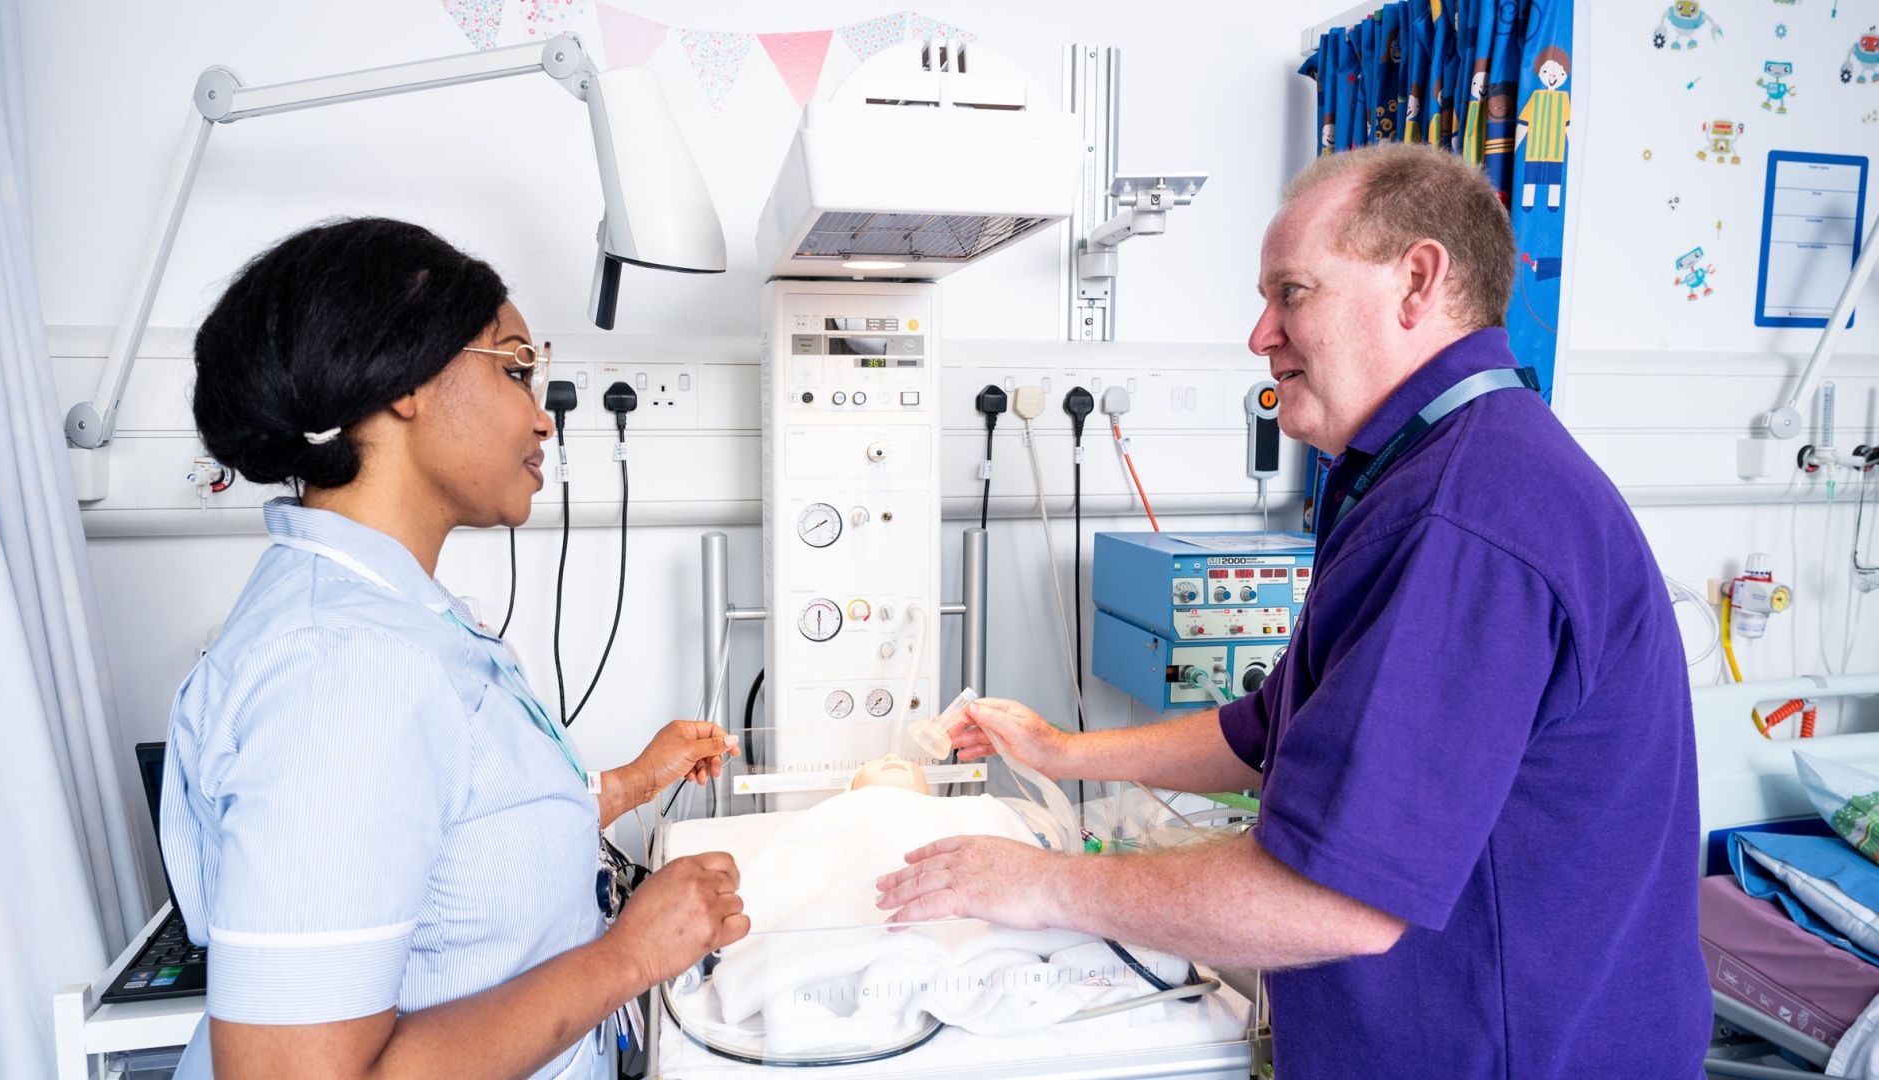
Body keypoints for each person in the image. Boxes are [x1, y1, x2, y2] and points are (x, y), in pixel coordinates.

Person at [875, 144, 1711, 1077]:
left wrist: (1041, 885)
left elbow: (1330, 901)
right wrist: (1062, 752)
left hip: (1514, 1050)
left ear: (1417, 280)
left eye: (1292, 293)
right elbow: (1272, 727)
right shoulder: (1422, 471)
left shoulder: (1467, 517)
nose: (1260, 333)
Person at [158, 217, 749, 1080]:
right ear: (406, 378)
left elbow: (446, 846)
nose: (540, 418)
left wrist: (626, 786)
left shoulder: (388, 617)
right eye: (514, 368)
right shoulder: (346, 666)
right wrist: (631, 955)